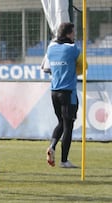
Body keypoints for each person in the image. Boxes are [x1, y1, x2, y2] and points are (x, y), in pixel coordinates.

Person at [45, 22, 85, 168]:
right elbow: (83, 65)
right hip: (68, 92)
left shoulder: (51, 49)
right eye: (73, 32)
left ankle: (52, 146)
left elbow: (46, 68)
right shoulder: (73, 48)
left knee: (61, 122)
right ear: (68, 33)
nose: (75, 35)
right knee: (68, 125)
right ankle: (64, 160)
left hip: (54, 91)